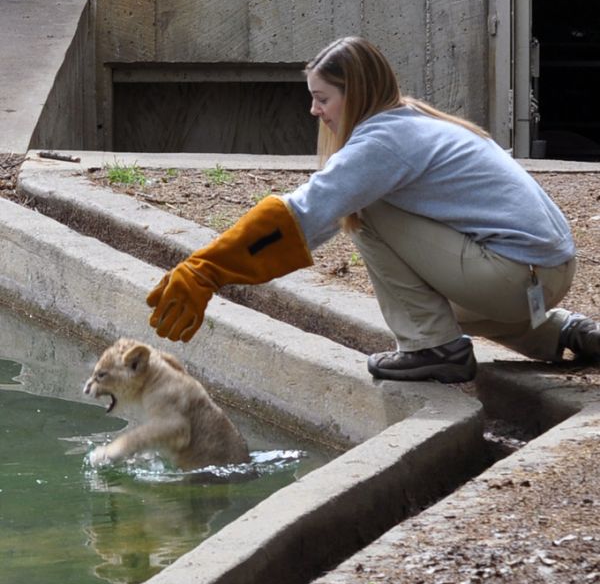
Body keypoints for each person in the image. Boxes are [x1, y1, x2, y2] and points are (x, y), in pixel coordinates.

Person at [146, 36, 600, 383]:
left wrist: (205, 269)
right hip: (542, 274)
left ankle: (435, 351)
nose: (313, 110)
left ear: (356, 93)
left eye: (322, 98)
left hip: (517, 276)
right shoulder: (414, 120)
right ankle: (562, 333)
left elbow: (302, 215)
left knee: (364, 211)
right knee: (430, 305)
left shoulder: (384, 142)